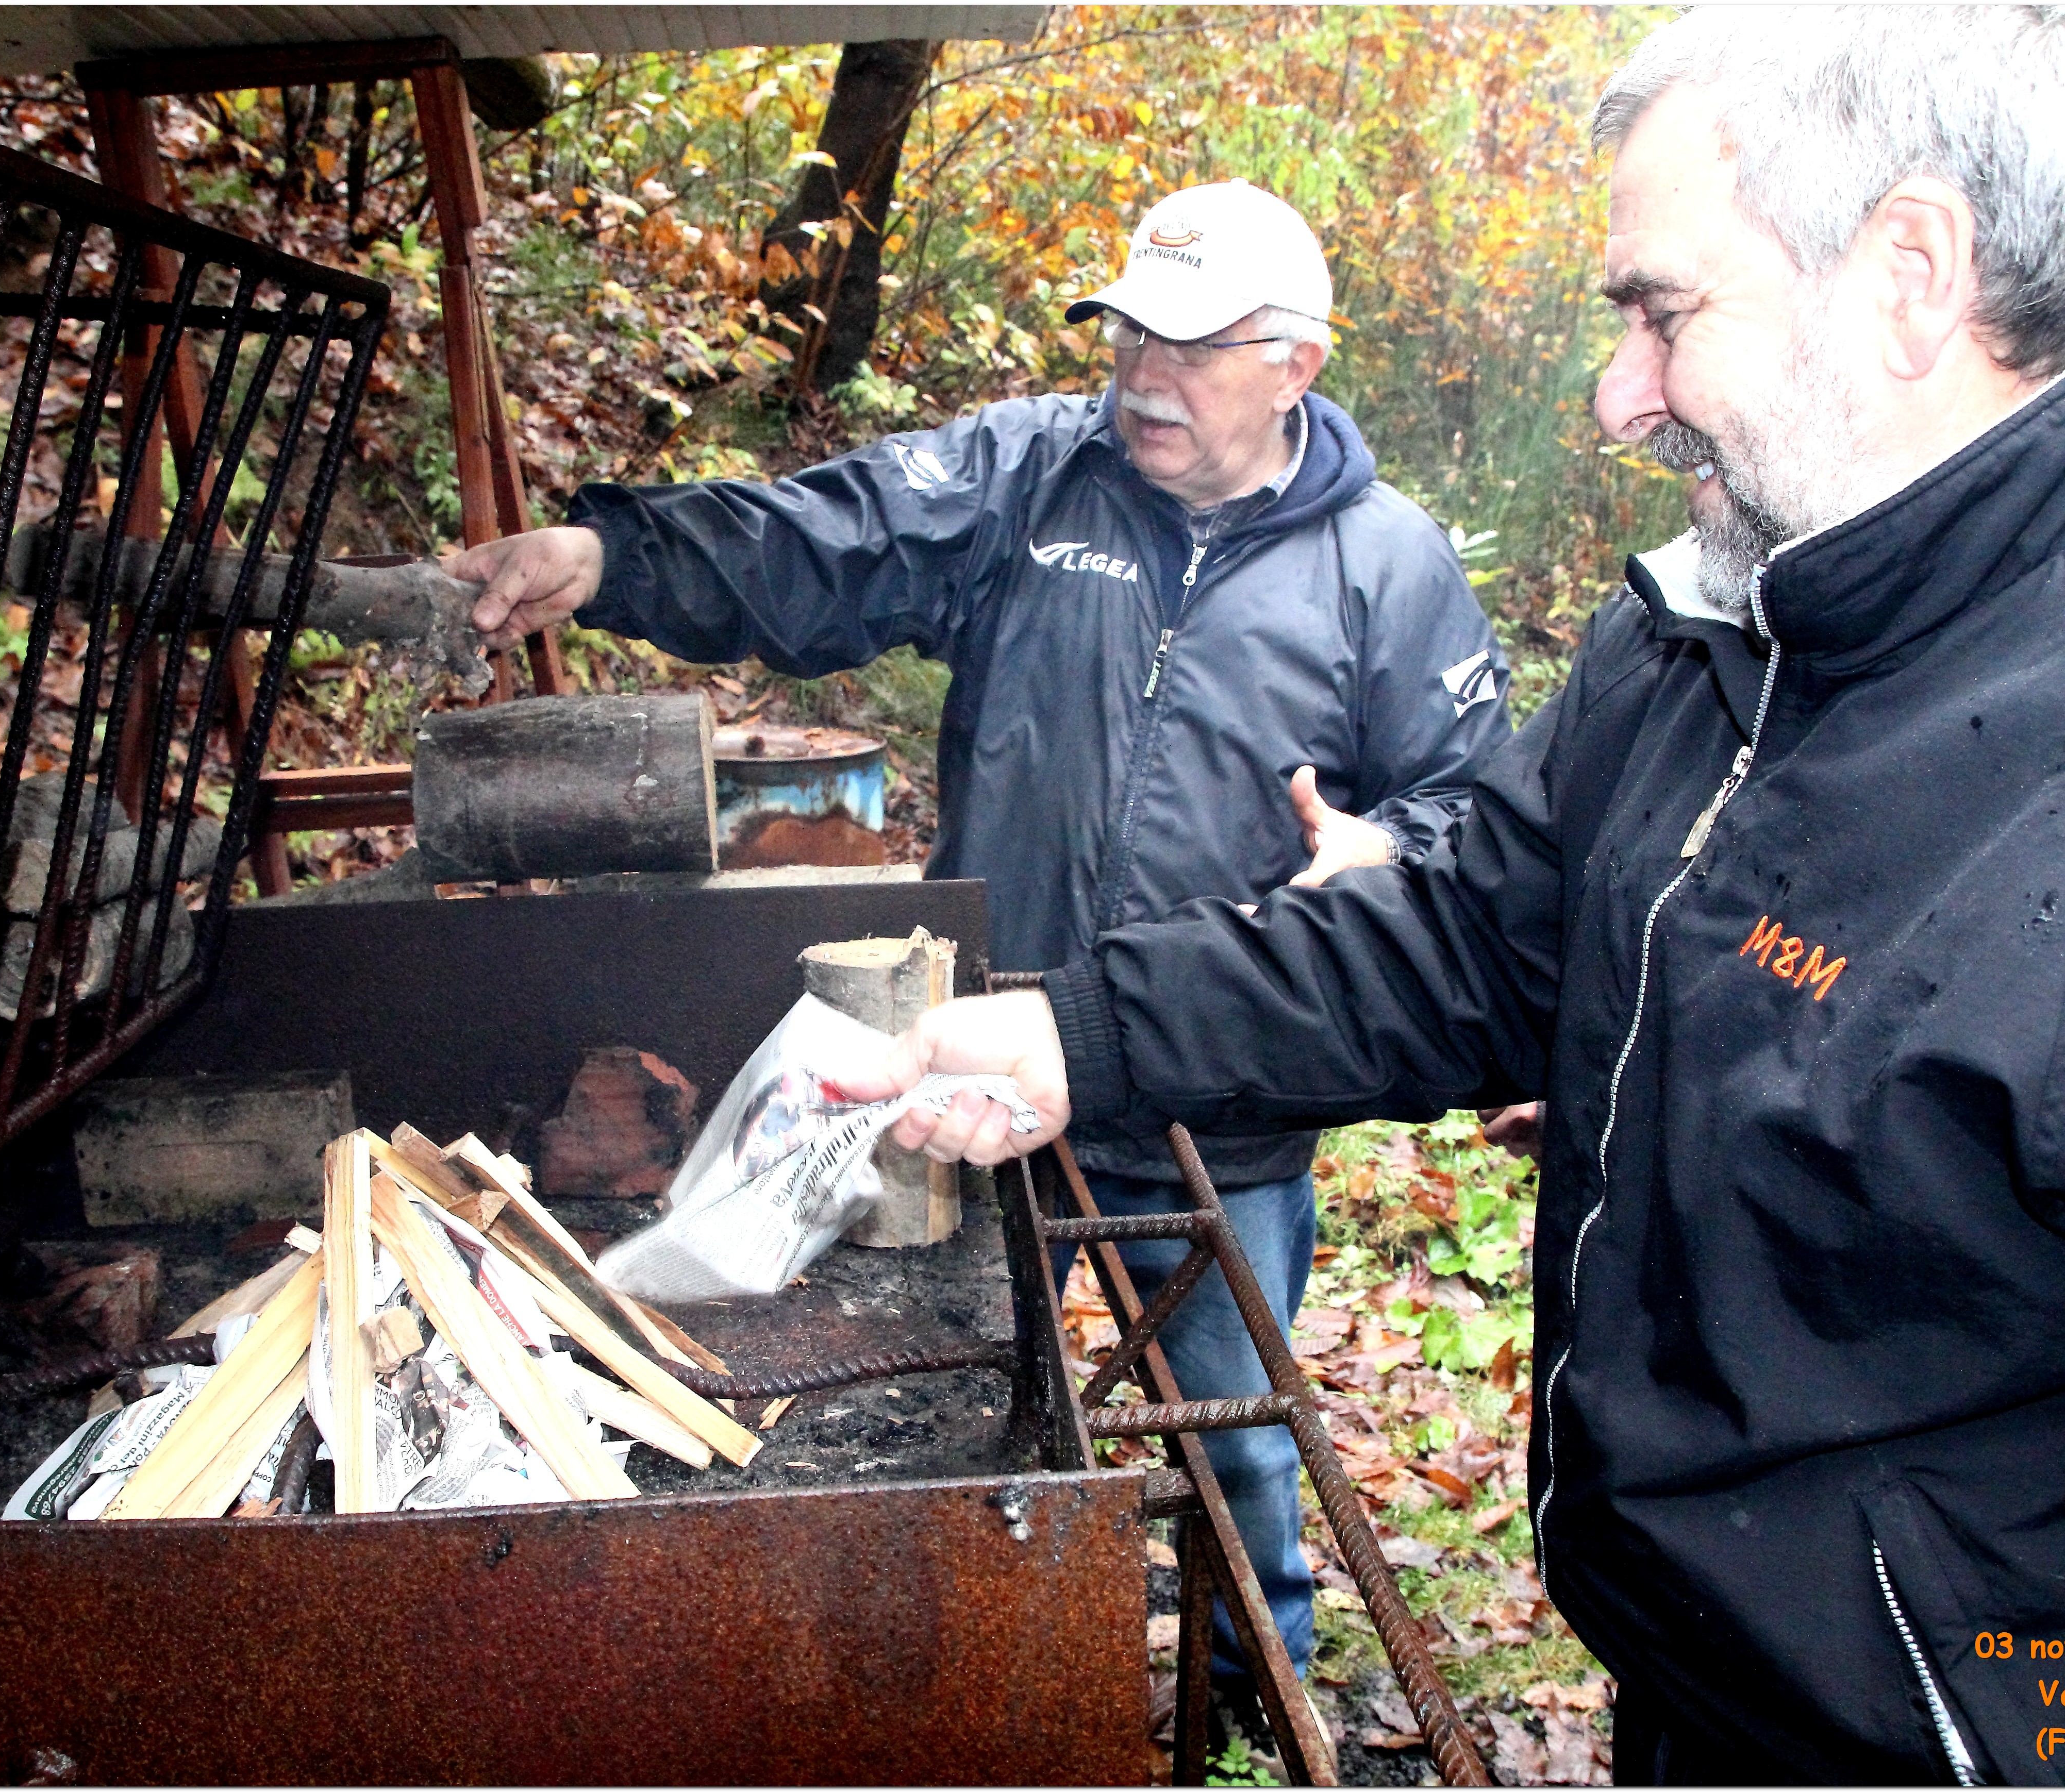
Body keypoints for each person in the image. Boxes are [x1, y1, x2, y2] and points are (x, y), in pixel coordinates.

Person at [850, 9, 2065, 1783]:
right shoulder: (1720, 626)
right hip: (1699, 1697)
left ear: (1911, 273)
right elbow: (1475, 935)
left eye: (1662, 315)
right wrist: (1078, 1035)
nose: (1621, 396)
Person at [449, 179, 1514, 1725]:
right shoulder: (1034, 478)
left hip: (1221, 1094)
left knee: (1239, 1446)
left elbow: (1475, 813)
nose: (1143, 375)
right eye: (1129, 334)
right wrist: (614, 556)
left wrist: (1389, 854)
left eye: (1192, 347)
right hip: (985, 1062)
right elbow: (825, 539)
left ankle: (1246, 1702)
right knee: (952, 1415)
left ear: (1297, 362)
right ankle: (956, 1686)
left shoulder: (1390, 568)